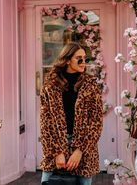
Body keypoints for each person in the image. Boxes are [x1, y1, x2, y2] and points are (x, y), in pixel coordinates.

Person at [40, 42, 103, 185]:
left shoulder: (91, 85)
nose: (83, 62)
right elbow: (45, 123)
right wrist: (57, 152)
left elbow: (96, 122)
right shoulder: (50, 85)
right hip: (55, 145)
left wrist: (80, 150)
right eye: (79, 58)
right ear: (67, 60)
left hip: (84, 147)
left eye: (85, 59)